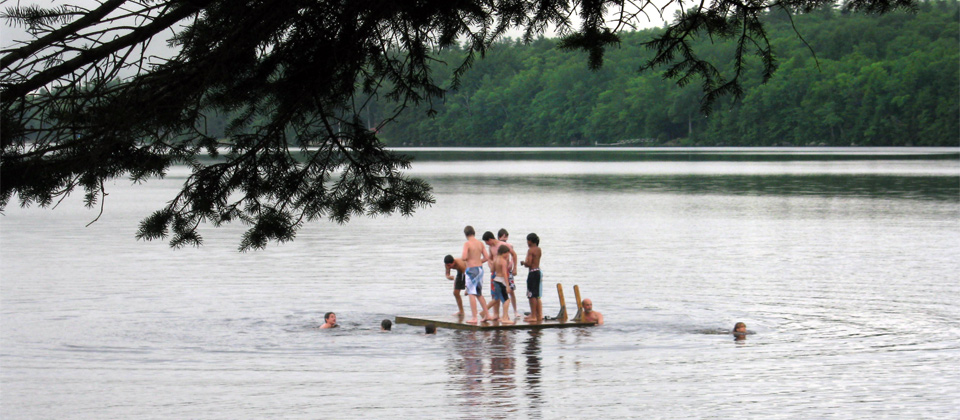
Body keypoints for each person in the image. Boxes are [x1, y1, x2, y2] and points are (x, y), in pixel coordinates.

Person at [461, 226, 491, 324]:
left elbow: (464, 257)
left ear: (466, 234)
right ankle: (487, 314)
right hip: (480, 269)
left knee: (471, 293)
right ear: (474, 233)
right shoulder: (480, 243)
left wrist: (467, 259)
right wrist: (478, 261)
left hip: (471, 270)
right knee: (479, 293)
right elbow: (487, 257)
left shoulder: (467, 244)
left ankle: (474, 317)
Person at [481, 231, 513, 318]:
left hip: (504, 271)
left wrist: (513, 266)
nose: (486, 244)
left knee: (504, 293)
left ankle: (505, 315)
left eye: (486, 242)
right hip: (495, 272)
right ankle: (496, 314)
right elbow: (490, 258)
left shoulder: (503, 245)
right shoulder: (491, 248)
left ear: (490, 239)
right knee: (495, 294)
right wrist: (491, 264)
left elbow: (514, 255)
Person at [497, 228, 520, 318]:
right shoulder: (497, 246)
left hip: (508, 271)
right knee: (499, 292)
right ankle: (501, 313)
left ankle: (515, 311)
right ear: (499, 237)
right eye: (503, 237)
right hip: (499, 272)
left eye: (506, 237)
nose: (505, 239)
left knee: (511, 291)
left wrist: (514, 267)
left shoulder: (508, 246)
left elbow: (514, 255)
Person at [490, 245, 515, 324]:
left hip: (496, 280)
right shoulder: (503, 261)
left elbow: (492, 270)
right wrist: (507, 286)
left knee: (496, 298)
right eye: (507, 254)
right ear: (503, 253)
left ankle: (484, 312)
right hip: (501, 281)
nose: (508, 256)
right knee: (507, 300)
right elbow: (505, 274)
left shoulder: (495, 259)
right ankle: (504, 318)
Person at [521, 233, 543, 323]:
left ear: (530, 241)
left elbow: (529, 264)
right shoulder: (539, 249)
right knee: (536, 294)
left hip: (532, 273)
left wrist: (523, 262)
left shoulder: (530, 250)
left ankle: (533, 316)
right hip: (538, 271)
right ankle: (536, 314)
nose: (527, 242)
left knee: (531, 295)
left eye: (527, 240)